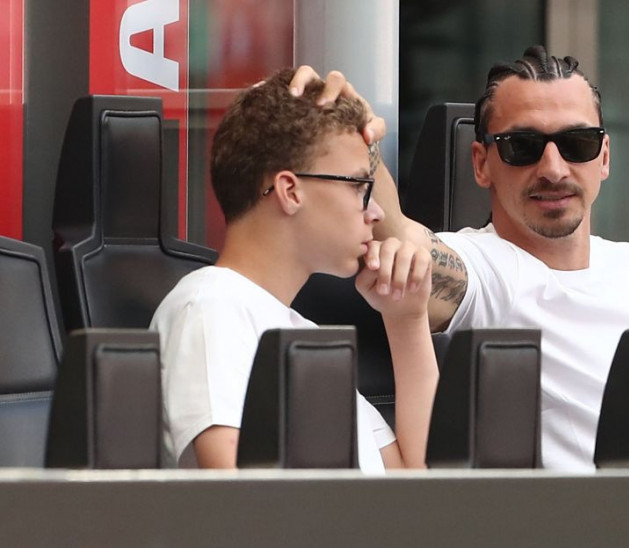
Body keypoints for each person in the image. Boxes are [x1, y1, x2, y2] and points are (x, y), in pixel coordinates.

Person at [290, 45, 629, 471]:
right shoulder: (486, 268)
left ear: (604, 157)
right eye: (523, 147)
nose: (553, 168)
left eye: (578, 143)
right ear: (481, 163)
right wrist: (353, 132)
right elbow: (403, 241)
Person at [150, 68, 437, 472]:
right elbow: (238, 494)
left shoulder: (300, 332)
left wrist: (407, 320)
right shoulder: (211, 308)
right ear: (290, 191)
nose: (376, 213)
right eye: (359, 187)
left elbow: (421, 486)